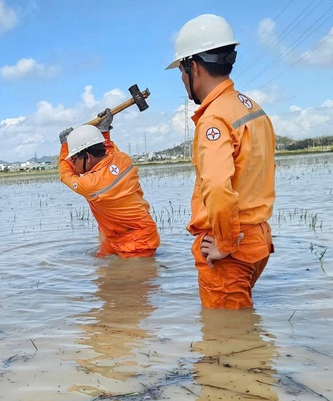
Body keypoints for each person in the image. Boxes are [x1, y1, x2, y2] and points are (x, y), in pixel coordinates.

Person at [167, 14, 275, 309]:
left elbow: (216, 185)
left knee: (225, 341)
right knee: (241, 333)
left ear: (194, 67)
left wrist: (226, 244)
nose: (182, 79)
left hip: (229, 248)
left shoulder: (214, 117)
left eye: (181, 70)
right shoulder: (252, 108)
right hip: (258, 240)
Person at [58, 110, 160, 258]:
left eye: (73, 159)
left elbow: (65, 174)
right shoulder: (123, 159)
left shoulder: (90, 184)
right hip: (119, 235)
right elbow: (109, 151)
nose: (73, 164)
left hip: (137, 241)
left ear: (87, 156)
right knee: (103, 268)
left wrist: (65, 146)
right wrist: (104, 131)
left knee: (132, 279)